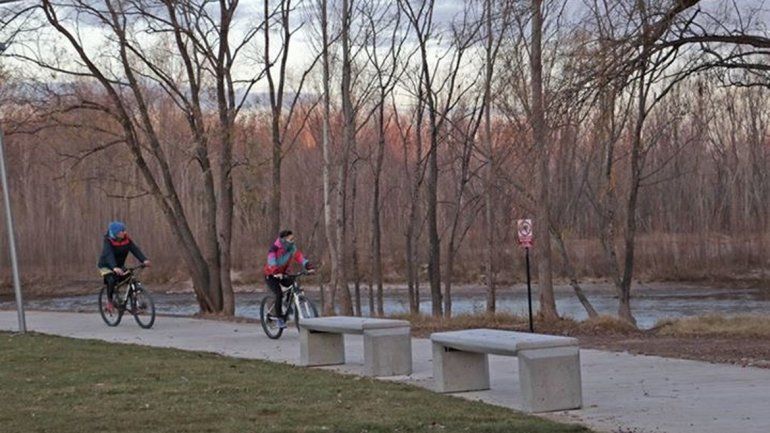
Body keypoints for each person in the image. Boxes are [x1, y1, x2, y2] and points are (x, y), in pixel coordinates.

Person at [263, 230, 314, 328]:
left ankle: (287, 302)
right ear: (284, 240)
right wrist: (275, 271)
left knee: (293, 284)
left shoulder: (291, 248)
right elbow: (271, 260)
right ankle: (279, 319)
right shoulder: (274, 249)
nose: (293, 241)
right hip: (271, 275)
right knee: (279, 294)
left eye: (293, 239)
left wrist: (307, 265)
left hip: (283, 274)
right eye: (291, 239)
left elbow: (299, 256)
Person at [97, 221, 150, 310]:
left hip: (119, 265)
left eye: (124, 230)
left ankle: (134, 304)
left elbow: (134, 249)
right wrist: (114, 267)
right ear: (116, 233)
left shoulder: (126, 239)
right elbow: (109, 254)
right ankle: (110, 301)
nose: (124, 232)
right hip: (106, 266)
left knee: (130, 278)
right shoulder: (108, 241)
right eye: (122, 231)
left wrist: (144, 260)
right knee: (111, 280)